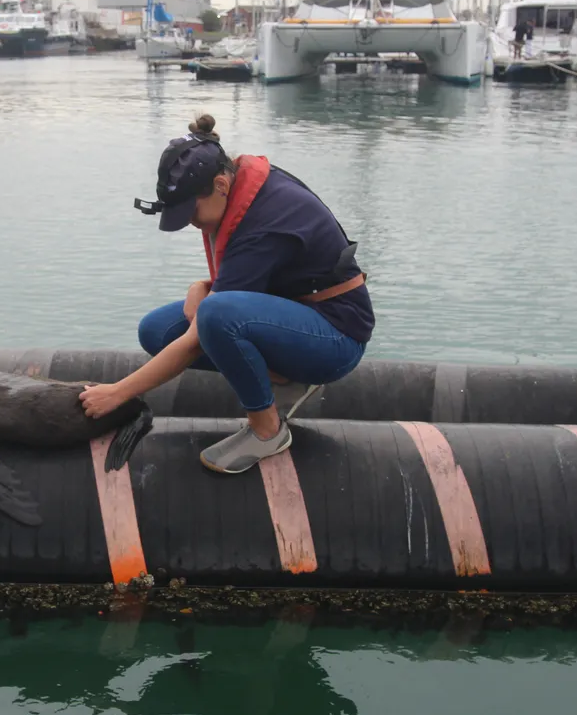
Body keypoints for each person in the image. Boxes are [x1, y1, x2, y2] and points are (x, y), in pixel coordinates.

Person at [79, 115, 374, 474]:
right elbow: (257, 276)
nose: (191, 223)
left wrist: (117, 393)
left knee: (216, 316)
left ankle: (267, 431)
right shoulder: (237, 189)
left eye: (192, 212)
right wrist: (200, 286)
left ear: (220, 184)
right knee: (156, 330)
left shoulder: (268, 216)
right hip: (296, 311)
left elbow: (205, 329)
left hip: (335, 337)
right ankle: (285, 381)